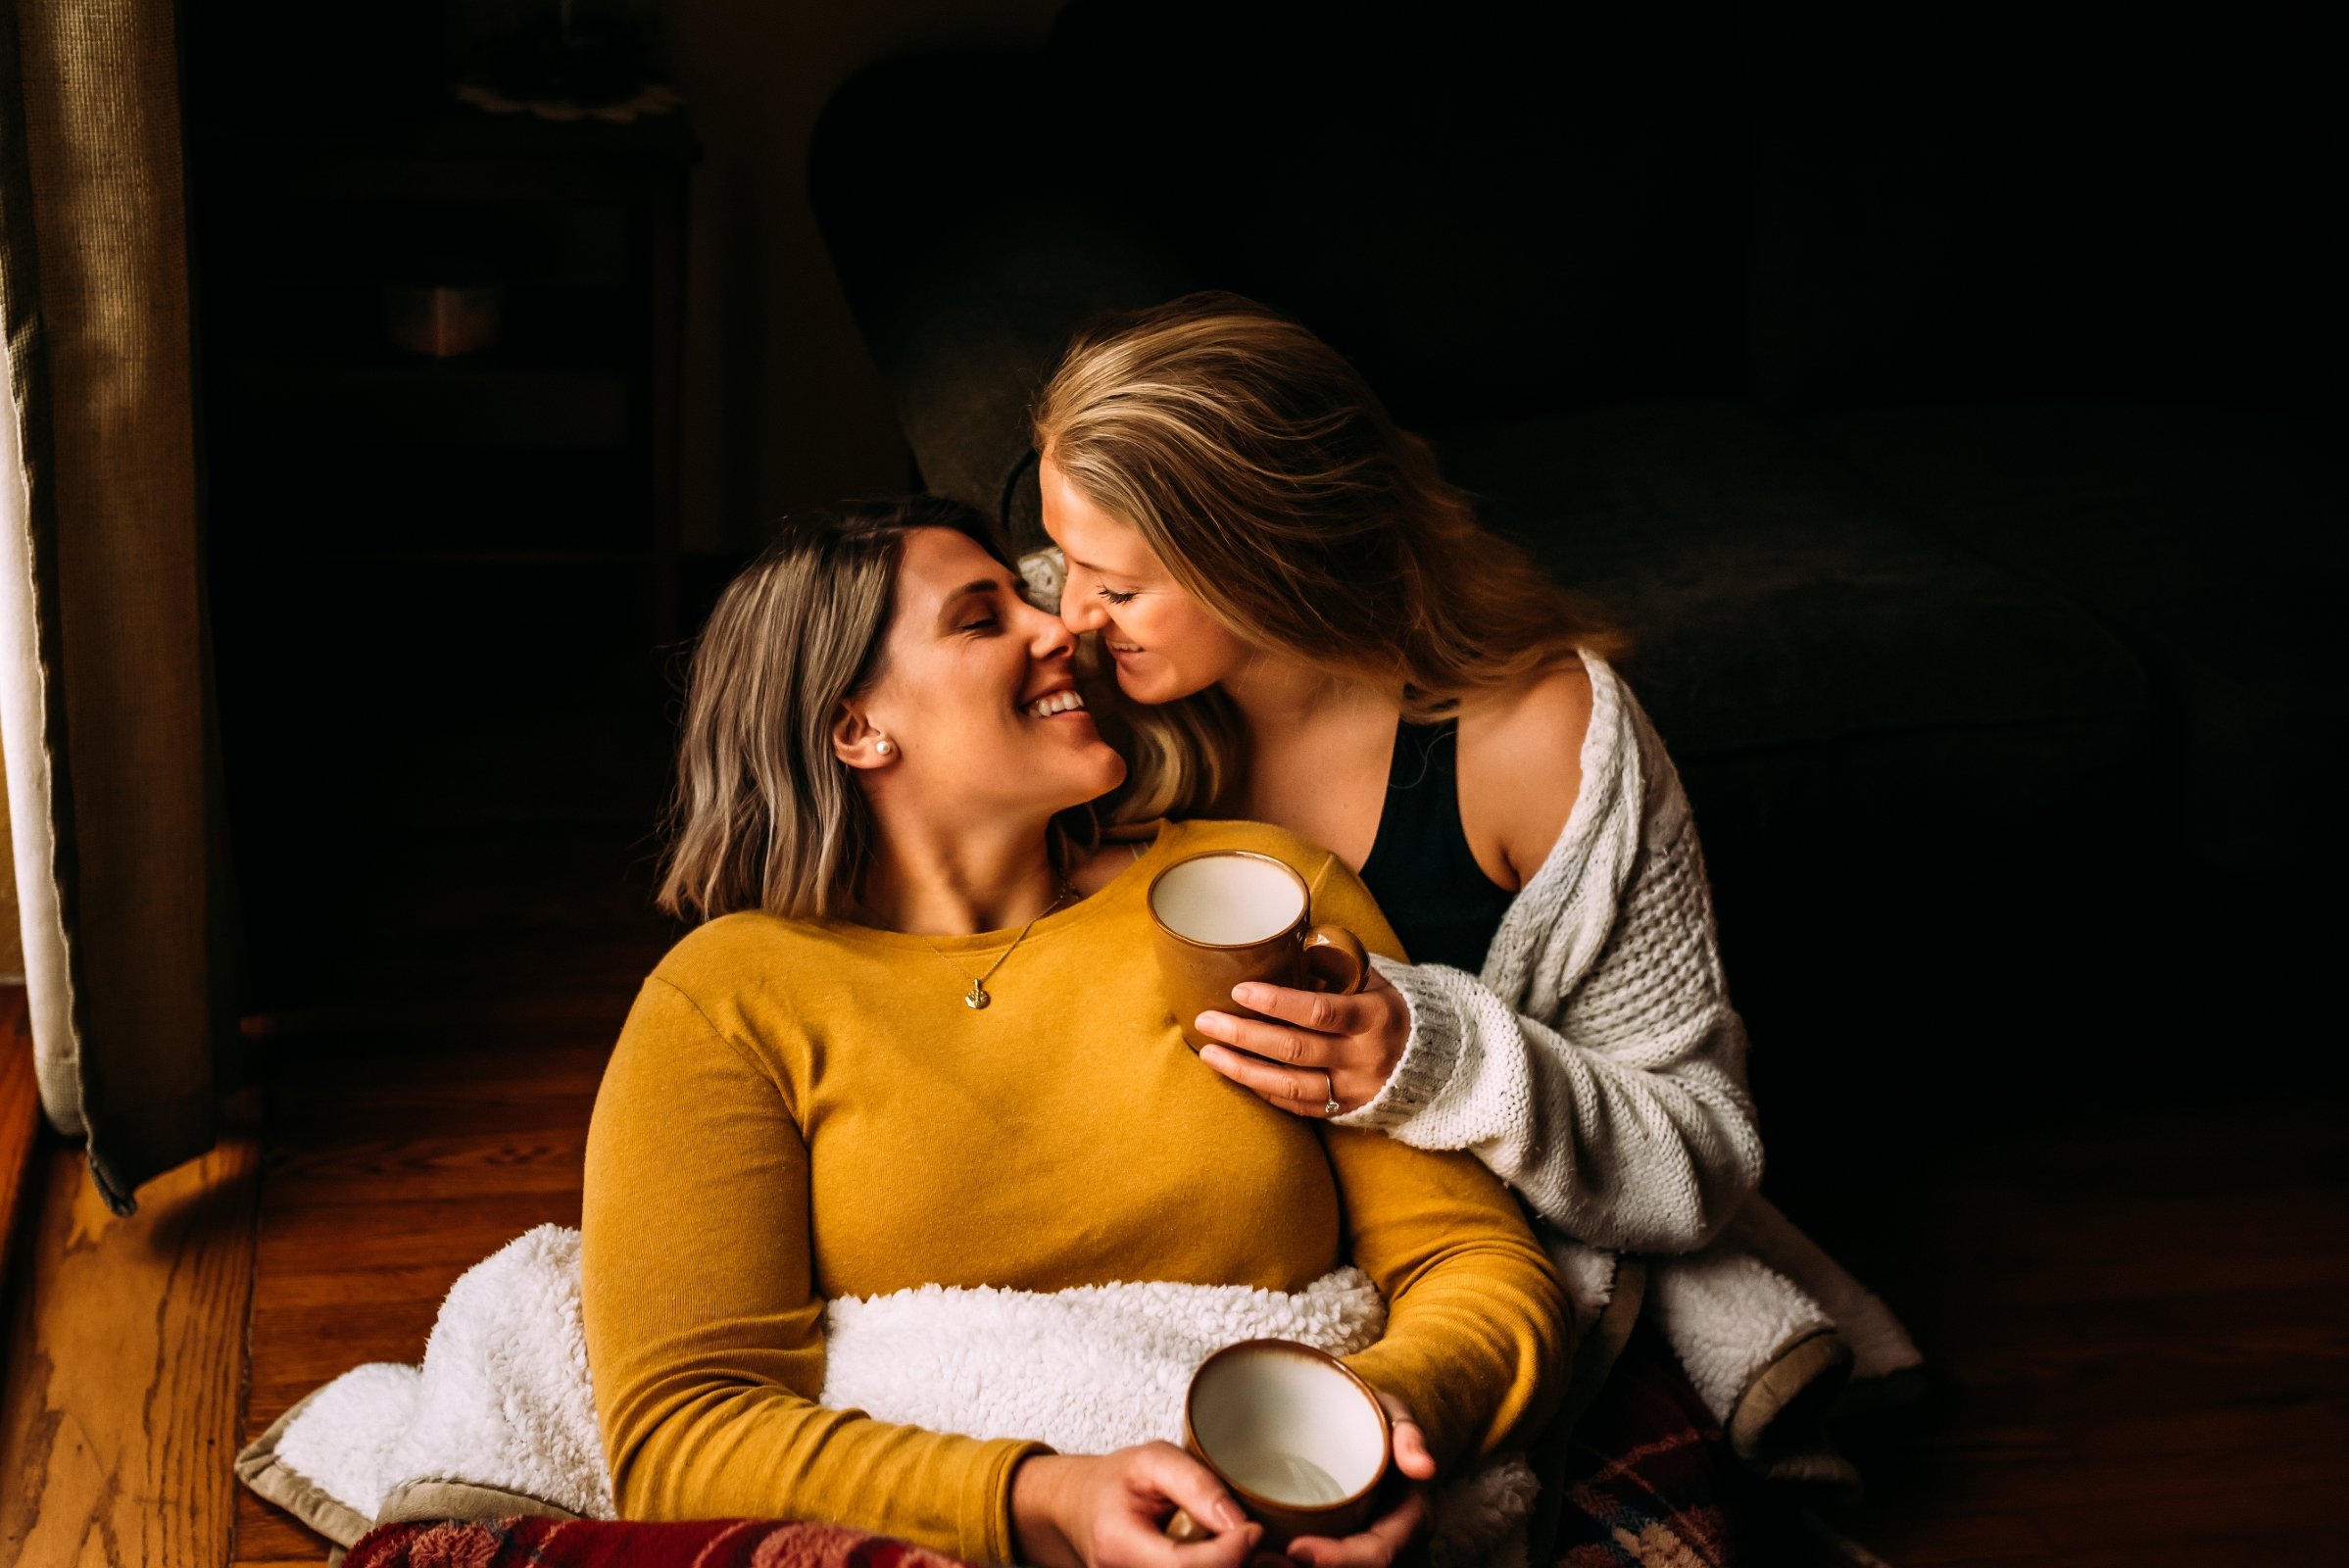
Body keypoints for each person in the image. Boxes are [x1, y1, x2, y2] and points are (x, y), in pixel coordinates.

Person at [580, 496, 1570, 1568]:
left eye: (1029, 598)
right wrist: (1046, 1502)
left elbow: (1476, 1262)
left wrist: (1357, 1435)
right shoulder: (729, 995)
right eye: (979, 618)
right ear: (856, 726)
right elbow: (681, 1431)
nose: (1060, 628)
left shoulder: (1252, 895)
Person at [1030, 293, 1765, 1256]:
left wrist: (1440, 1064)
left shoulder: (1537, 740)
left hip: (1455, 1260)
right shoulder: (1066, 669)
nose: (1068, 613)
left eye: (1118, 588)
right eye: (1062, 558)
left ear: (1269, 558)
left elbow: (1698, 1157)